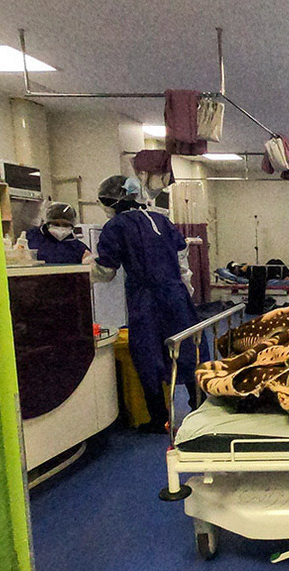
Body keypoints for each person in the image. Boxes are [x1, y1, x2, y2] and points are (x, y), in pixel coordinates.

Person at [89, 175, 207, 434]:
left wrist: (85, 269)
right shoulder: (161, 220)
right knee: (187, 349)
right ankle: (200, 408)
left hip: (146, 300)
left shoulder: (116, 226)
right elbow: (181, 257)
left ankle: (159, 419)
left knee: (148, 354)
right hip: (176, 295)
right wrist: (184, 290)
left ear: (109, 201)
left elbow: (106, 270)